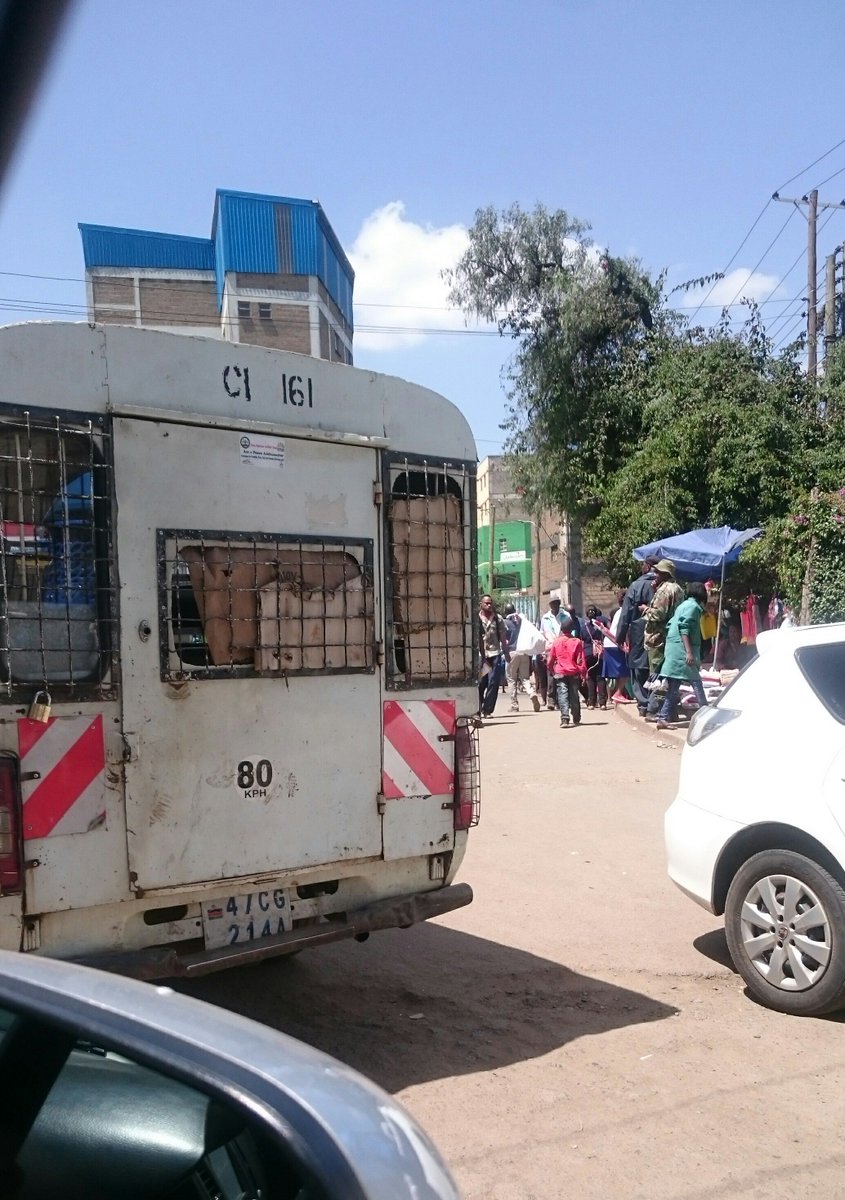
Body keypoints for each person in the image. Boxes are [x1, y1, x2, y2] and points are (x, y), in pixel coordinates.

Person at [655, 582, 709, 728]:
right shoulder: (693, 607)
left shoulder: (683, 606)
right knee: (696, 682)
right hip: (682, 651)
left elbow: (670, 624)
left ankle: (662, 717)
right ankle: (706, 715)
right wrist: (689, 652)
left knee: (674, 685)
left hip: (674, 650)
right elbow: (684, 628)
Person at [643, 559, 685, 720]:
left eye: (658, 572)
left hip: (658, 638)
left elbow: (658, 614)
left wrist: (645, 609)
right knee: (669, 675)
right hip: (672, 637)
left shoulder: (664, 590)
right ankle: (670, 711)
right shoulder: (679, 589)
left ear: (665, 574)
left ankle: (653, 710)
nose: (655, 574)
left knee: (657, 675)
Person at [546, 617, 586, 727]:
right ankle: (576, 717)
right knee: (574, 694)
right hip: (573, 672)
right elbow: (581, 660)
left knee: (562, 694)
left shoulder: (557, 642)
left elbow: (550, 659)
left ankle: (565, 718)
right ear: (572, 629)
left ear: (561, 629)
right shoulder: (577, 642)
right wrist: (583, 674)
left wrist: (551, 669)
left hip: (560, 672)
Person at [503, 603, 541, 713]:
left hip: (512, 652)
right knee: (525, 678)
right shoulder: (522, 621)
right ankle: (531, 693)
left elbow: (504, 638)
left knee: (511, 678)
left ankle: (514, 705)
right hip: (524, 652)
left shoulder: (506, 623)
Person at [478, 594, 510, 717]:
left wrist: (506, 653)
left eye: (490, 603)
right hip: (481, 656)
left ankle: (487, 710)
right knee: (481, 683)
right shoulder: (476, 619)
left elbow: (503, 637)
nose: (489, 605)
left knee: (493, 682)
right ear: (481, 604)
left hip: (494, 654)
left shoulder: (497, 618)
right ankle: (477, 708)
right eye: (486, 603)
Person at [601, 590, 630, 702]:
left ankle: (618, 694)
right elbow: (624, 628)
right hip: (616, 643)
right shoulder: (625, 612)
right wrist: (627, 644)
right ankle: (618, 693)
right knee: (626, 670)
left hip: (609, 642)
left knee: (619, 672)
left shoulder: (618, 611)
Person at [540, 594, 564, 711]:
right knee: (550, 674)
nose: (554, 605)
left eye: (556, 603)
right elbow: (542, 634)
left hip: (563, 648)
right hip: (550, 649)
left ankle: (560, 700)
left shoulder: (565, 615)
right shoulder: (545, 618)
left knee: (561, 673)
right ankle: (551, 700)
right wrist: (543, 651)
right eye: (552, 603)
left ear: (559, 603)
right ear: (550, 605)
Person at [584, 605, 609, 709]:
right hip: (600, 653)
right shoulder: (601, 626)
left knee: (590, 678)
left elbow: (582, 640)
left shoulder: (584, 627)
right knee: (600, 677)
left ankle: (591, 702)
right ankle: (602, 703)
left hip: (588, 654)